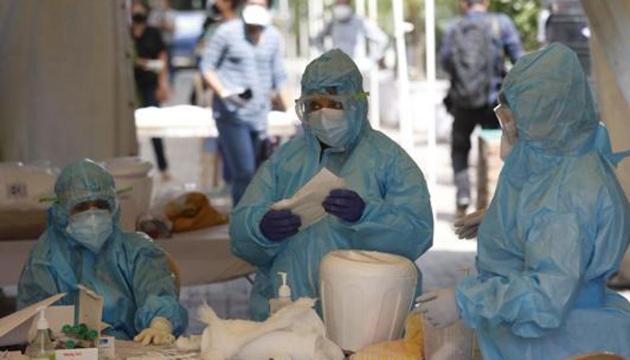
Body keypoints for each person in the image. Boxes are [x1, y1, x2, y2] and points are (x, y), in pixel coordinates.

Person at [418, 44, 630, 359]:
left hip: (560, 343)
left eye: (515, 125)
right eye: (505, 121)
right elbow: (567, 229)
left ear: (546, 119)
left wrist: (465, 302)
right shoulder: (570, 152)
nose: (508, 140)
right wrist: (506, 220)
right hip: (572, 327)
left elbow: (545, 296)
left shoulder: (564, 198)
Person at [230, 49, 434, 321]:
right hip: (287, 316)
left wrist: (368, 215)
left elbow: (418, 234)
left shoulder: (389, 160)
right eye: (314, 105)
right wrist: (260, 228)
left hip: (367, 320)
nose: (323, 114)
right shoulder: (286, 160)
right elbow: (240, 231)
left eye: (334, 104)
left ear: (358, 104)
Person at [17, 159, 187, 344]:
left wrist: (160, 324)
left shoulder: (137, 251)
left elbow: (156, 291)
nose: (92, 215)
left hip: (132, 348)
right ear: (61, 212)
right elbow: (34, 320)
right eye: (81, 207)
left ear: (113, 207)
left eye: (101, 205)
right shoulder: (44, 260)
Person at [440, 0, 523, 217]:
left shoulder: (455, 27)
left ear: (462, 4)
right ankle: (492, 200)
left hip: (462, 101)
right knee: (496, 148)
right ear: (486, 2)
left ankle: (463, 195)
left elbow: (445, 62)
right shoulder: (501, 23)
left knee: (460, 148)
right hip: (492, 102)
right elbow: (519, 60)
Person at [200, 0, 287, 205]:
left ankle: (256, 222)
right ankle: (241, 223)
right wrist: (223, 92)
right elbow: (207, 67)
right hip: (232, 115)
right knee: (244, 172)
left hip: (260, 116)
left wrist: (292, 109)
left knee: (260, 174)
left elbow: (280, 75)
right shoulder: (227, 32)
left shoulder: (273, 37)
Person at [131, 0, 172, 182]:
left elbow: (162, 58)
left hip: (149, 84)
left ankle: (163, 167)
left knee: (155, 128)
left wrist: (163, 84)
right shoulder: (126, 33)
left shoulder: (153, 33)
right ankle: (132, 165)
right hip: (131, 86)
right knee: (132, 129)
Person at [311, 0, 388, 71]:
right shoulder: (333, 22)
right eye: (339, 3)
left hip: (356, 69)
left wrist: (371, 60)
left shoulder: (360, 22)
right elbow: (317, 39)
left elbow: (382, 39)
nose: (341, 5)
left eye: (344, 3)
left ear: (349, 3)